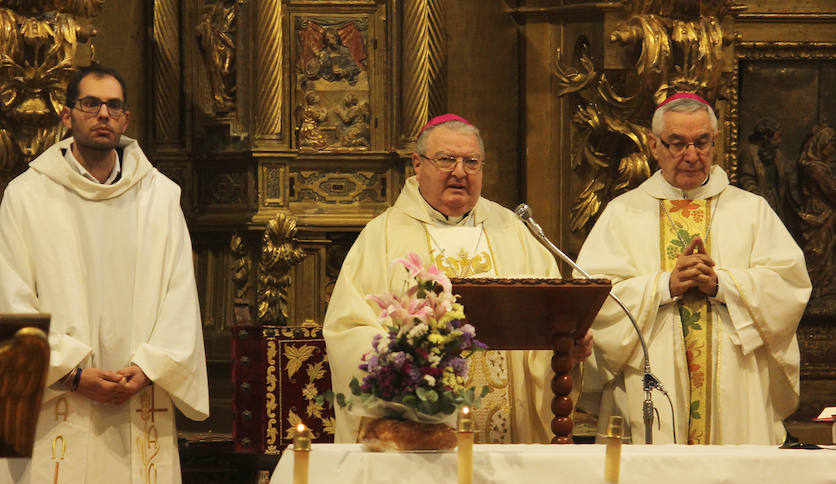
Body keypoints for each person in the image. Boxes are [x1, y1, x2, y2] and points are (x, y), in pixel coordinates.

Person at [0, 65, 209, 484]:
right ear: (67, 115)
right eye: (90, 104)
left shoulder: (160, 199)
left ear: (126, 120)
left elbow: (180, 295)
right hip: (56, 399)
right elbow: (10, 296)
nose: (102, 114)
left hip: (137, 399)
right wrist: (71, 373)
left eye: (113, 106)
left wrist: (149, 367)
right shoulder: (26, 197)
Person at [323, 114, 592, 443]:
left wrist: (567, 345)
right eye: (447, 160)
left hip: (510, 433)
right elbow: (347, 328)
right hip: (420, 435)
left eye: (472, 162)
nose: (460, 172)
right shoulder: (382, 236)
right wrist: (402, 364)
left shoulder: (512, 231)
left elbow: (548, 320)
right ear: (417, 164)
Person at [576, 93, 811, 445]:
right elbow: (593, 301)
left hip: (735, 383)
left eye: (701, 142)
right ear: (654, 146)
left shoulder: (751, 211)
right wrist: (663, 286)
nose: (691, 155)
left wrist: (723, 284)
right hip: (649, 380)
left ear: (714, 142)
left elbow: (788, 288)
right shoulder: (623, 214)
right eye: (677, 143)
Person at [796, 124, 836, 289]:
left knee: (826, 251)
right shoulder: (815, 168)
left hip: (823, 212)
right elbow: (832, 191)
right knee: (817, 251)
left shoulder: (818, 166)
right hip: (818, 213)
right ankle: (812, 288)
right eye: (830, 144)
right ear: (820, 143)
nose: (832, 149)